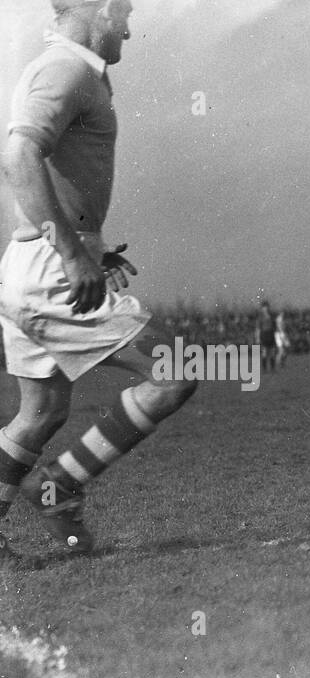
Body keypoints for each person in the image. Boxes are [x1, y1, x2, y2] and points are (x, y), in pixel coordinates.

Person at [0, 0, 197, 560]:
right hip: (47, 269)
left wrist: (89, 246)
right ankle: (58, 489)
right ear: (104, 7)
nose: (129, 30)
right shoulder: (66, 68)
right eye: (126, 13)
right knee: (176, 370)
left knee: (41, 414)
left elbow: (55, 174)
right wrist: (71, 253)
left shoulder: (78, 71)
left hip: (31, 262)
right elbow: (18, 156)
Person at [256, 299, 277, 374]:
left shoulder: (272, 316)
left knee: (272, 352)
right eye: (264, 307)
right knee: (264, 353)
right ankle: (264, 369)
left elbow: (275, 327)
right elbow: (258, 329)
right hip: (264, 335)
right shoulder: (260, 318)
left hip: (271, 335)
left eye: (267, 307)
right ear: (262, 308)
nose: (266, 308)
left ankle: (272, 368)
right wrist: (258, 338)